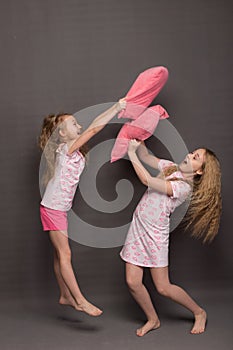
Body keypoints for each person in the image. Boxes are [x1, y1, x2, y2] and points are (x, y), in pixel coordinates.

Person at [120, 139, 222, 336]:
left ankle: (199, 312)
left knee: (163, 287)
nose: (189, 155)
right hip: (137, 229)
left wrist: (131, 153)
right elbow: (146, 156)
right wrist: (138, 138)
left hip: (155, 236)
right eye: (193, 152)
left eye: (195, 157)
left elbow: (147, 180)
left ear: (200, 171)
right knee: (132, 282)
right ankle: (153, 319)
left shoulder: (183, 188)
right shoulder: (170, 167)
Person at [39, 98, 126, 317]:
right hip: (53, 208)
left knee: (60, 255)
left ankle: (64, 295)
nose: (79, 126)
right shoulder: (66, 148)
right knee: (65, 254)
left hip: (57, 208)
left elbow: (92, 128)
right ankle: (79, 300)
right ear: (62, 133)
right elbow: (95, 128)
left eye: (78, 123)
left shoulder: (72, 150)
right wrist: (116, 108)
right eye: (74, 124)